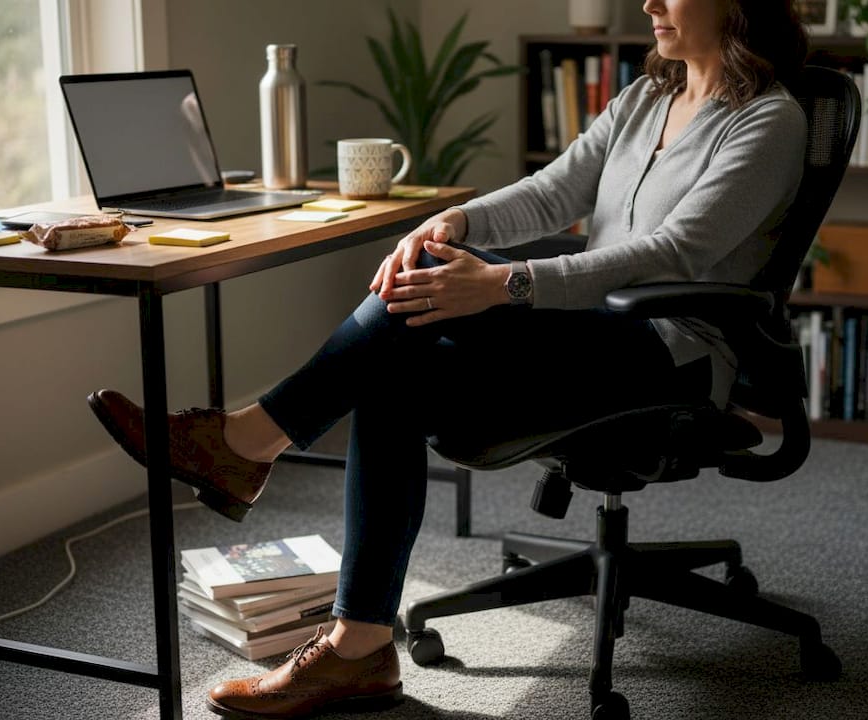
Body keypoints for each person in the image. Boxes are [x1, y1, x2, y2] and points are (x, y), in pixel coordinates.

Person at [88, 1, 809, 717]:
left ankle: (248, 443)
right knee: (395, 365)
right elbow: (552, 191)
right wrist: (455, 221)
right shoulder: (648, 96)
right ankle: (359, 643)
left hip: (668, 352)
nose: (648, 1)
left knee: (431, 290)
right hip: (590, 331)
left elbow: (673, 252)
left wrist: (505, 283)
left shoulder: (770, 121)